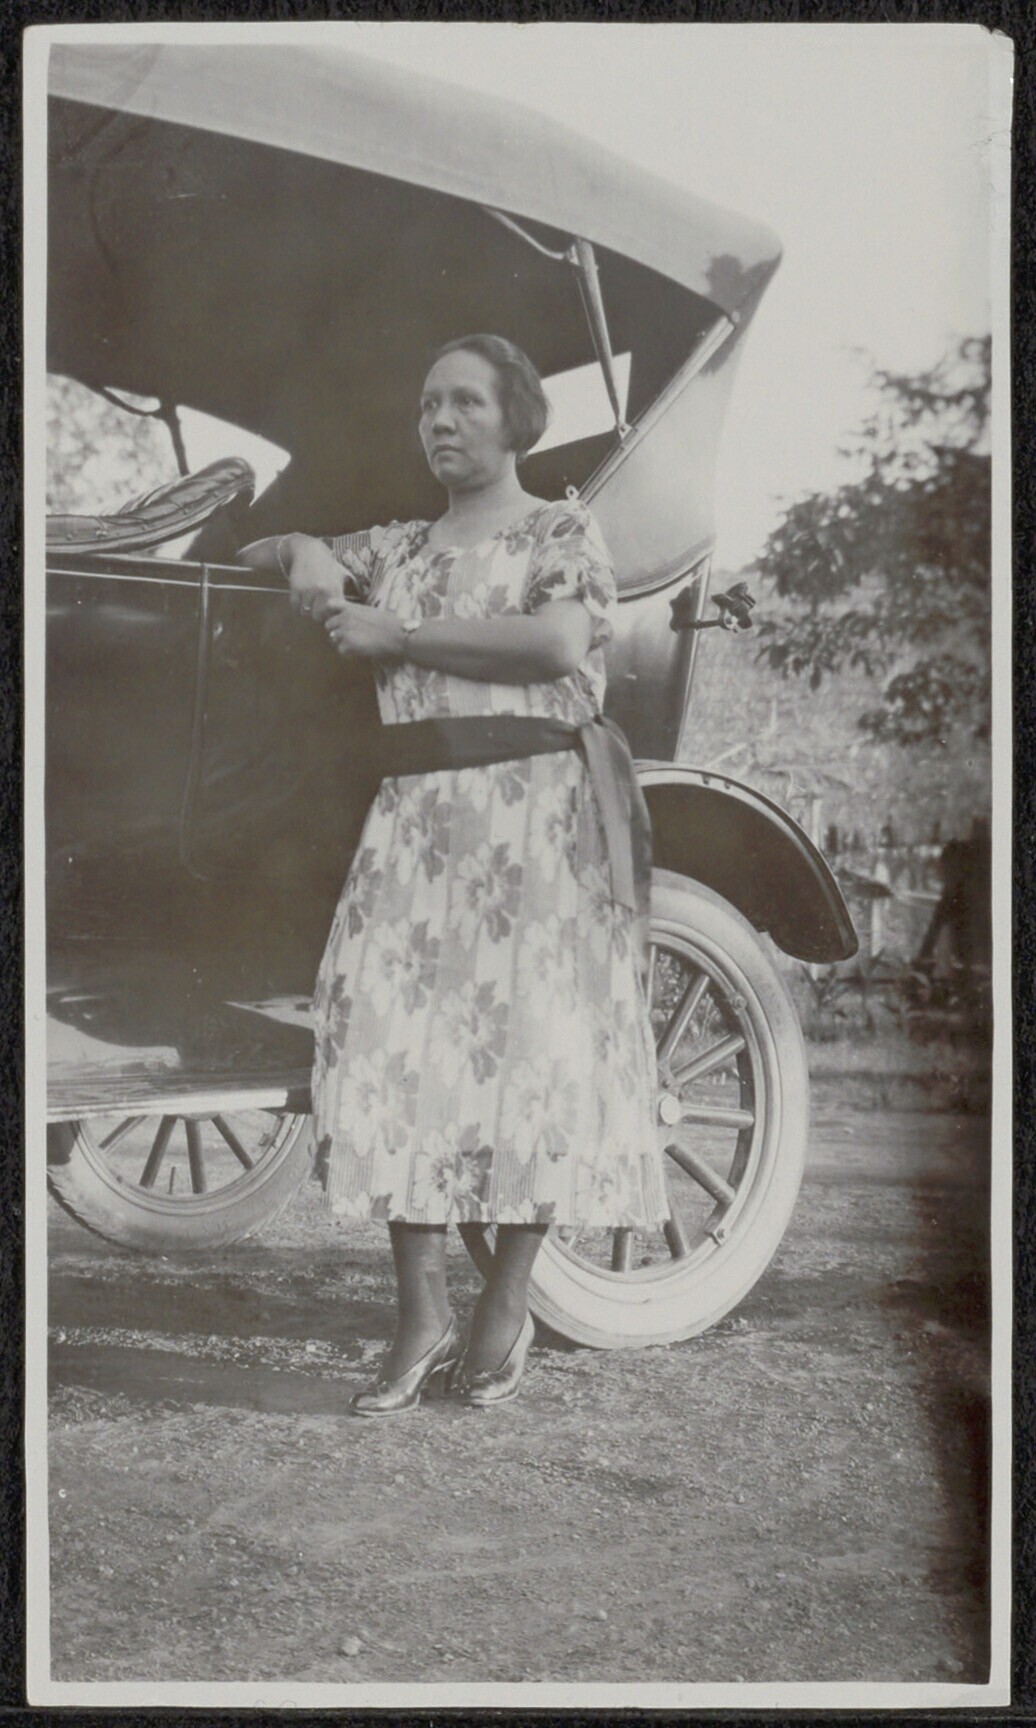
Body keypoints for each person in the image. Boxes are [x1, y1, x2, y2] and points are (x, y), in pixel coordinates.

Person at [241, 334, 668, 1413]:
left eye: (466, 402)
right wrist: (304, 552)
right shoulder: (398, 545)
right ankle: (421, 1311)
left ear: (516, 419)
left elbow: (557, 645)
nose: (439, 421)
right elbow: (263, 545)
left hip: (537, 824)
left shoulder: (559, 530)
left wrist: (402, 635)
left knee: (537, 1055)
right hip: (419, 824)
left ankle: (507, 1300)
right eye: (428, 404)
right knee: (389, 1042)